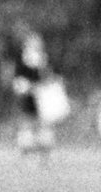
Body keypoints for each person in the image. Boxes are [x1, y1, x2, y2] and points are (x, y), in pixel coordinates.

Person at [7, 28, 61, 159]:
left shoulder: (44, 58)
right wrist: (24, 86)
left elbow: (49, 76)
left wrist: (50, 82)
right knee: (27, 121)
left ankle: (45, 152)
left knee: (44, 123)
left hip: (42, 95)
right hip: (28, 95)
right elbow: (18, 77)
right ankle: (26, 151)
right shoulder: (22, 58)